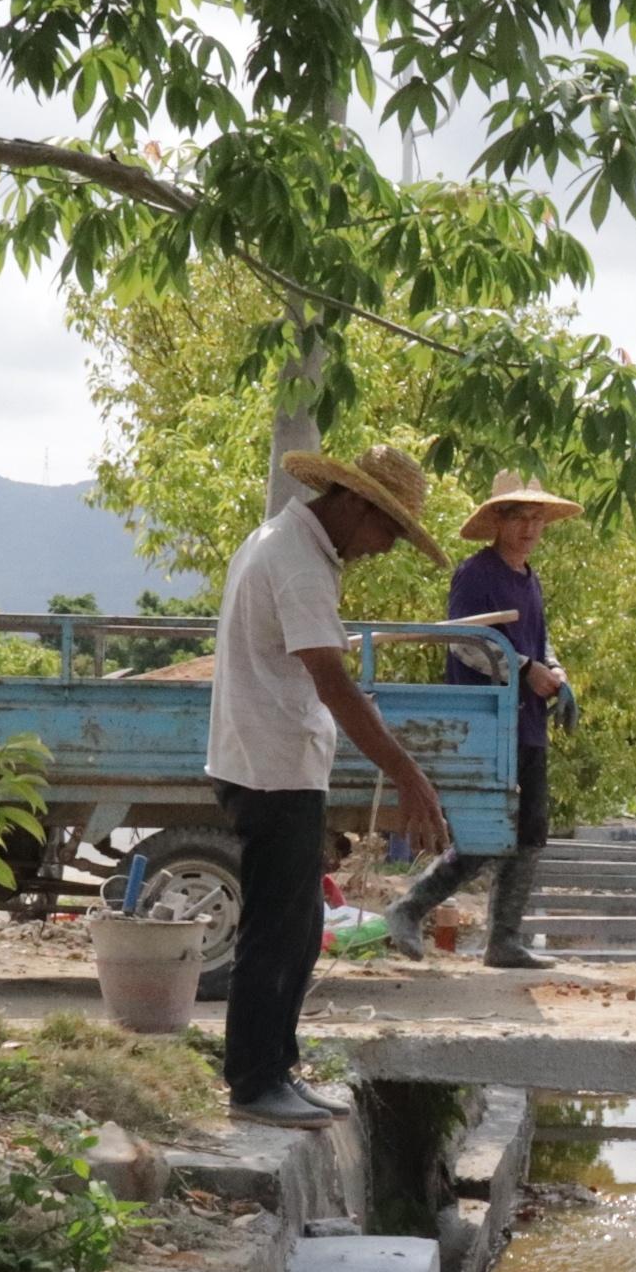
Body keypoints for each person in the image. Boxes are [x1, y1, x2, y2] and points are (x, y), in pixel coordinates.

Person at [205, 446, 450, 1129]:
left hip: (276, 758)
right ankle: (254, 1081)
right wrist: (406, 773)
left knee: (302, 926)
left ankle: (274, 1067)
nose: (385, 548)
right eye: (387, 531)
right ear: (354, 504)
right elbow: (332, 679)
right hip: (270, 764)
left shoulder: (289, 546)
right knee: (275, 931)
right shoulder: (295, 559)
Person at [383, 472, 581, 968]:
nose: (531, 528)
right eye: (520, 517)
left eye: (538, 519)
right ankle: (408, 907)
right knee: (487, 831)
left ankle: (504, 940)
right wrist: (523, 668)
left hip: (526, 722)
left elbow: (540, 639)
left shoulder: (529, 579)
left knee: (530, 830)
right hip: (487, 722)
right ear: (497, 520)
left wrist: (555, 671)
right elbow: (463, 644)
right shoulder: (476, 574)